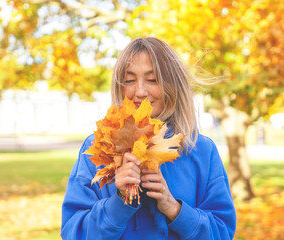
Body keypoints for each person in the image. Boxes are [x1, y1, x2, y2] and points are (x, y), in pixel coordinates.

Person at [61, 37, 236, 239]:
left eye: (153, 80)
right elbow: (74, 232)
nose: (140, 92)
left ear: (173, 85)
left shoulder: (201, 150)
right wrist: (119, 204)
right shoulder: (97, 147)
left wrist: (174, 209)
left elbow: (222, 233)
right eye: (129, 80)